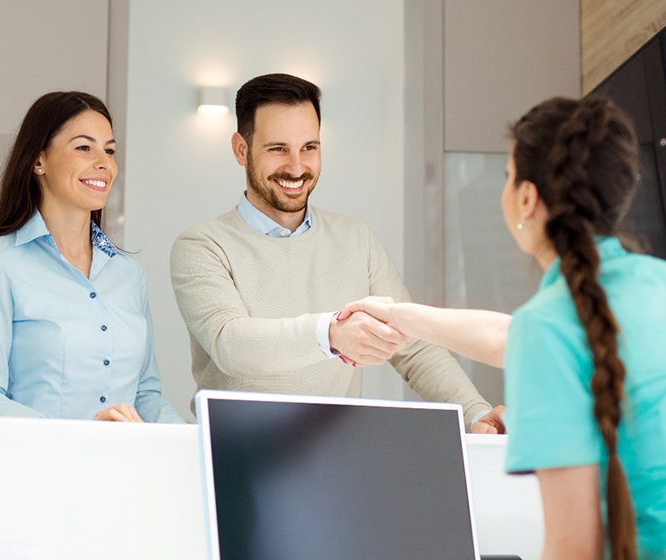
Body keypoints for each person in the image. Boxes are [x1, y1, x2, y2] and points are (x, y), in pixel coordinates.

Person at [341, 96, 666, 560]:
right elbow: (516, 337)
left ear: (528, 199)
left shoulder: (553, 324)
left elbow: (577, 547)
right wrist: (403, 314)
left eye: (509, 175)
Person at [170, 73, 502, 432]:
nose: (297, 168)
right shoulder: (202, 245)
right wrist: (329, 333)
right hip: (235, 455)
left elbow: (413, 347)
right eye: (278, 149)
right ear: (241, 149)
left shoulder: (356, 239)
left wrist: (475, 412)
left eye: (309, 148)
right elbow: (231, 344)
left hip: (335, 454)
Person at [0, 91, 183, 424]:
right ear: (38, 160)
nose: (104, 163)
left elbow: (145, 396)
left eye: (109, 150)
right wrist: (79, 437)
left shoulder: (128, 273)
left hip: (122, 469)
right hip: (36, 470)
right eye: (84, 147)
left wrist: (191, 442)